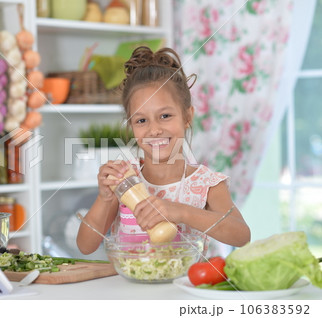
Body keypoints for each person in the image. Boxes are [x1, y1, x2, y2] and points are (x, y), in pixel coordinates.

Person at [76, 46, 250, 255]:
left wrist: (180, 212)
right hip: (129, 286)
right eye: (141, 120)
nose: (155, 129)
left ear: (187, 117)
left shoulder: (207, 184)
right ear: (131, 126)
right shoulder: (125, 180)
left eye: (165, 116)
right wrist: (104, 198)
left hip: (186, 287)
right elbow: (85, 246)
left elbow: (242, 236)